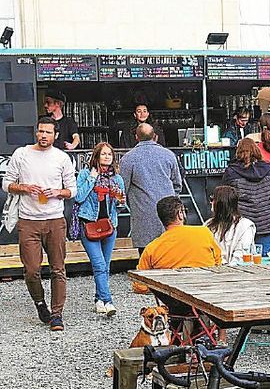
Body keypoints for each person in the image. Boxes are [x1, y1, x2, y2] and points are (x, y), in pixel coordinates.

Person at [3, 116, 76, 330]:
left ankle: (57, 315)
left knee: (58, 269)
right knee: (32, 270)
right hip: (28, 220)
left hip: (54, 219)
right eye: (40, 131)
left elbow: (73, 189)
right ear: (36, 132)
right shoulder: (22, 154)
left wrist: (58, 192)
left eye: (48, 132)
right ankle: (39, 302)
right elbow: (7, 184)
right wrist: (24, 187)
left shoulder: (61, 158)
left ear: (56, 135)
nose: (43, 136)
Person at [75, 141, 126, 316]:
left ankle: (98, 299)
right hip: (89, 224)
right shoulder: (84, 174)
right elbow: (79, 197)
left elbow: (121, 206)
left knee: (105, 265)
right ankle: (108, 301)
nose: (107, 157)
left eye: (109, 154)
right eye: (103, 154)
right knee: (98, 264)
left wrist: (119, 201)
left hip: (110, 225)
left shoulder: (117, 178)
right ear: (96, 156)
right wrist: (92, 177)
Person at [132, 196, 222, 295]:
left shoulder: (152, 248)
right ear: (180, 214)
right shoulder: (204, 232)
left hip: (174, 299)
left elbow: (139, 285)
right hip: (209, 291)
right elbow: (218, 263)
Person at [119, 123, 184, 253]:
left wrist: (119, 208)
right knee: (170, 255)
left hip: (142, 213)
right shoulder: (169, 155)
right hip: (168, 213)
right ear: (155, 136)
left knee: (146, 257)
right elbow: (177, 184)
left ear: (136, 137)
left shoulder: (128, 158)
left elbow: (122, 189)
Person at [221, 138, 270, 253]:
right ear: (257, 151)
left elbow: (226, 196)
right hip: (268, 222)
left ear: (238, 152)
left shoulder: (231, 172)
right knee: (266, 260)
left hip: (243, 223)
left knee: (243, 259)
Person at [206, 185, 256, 264]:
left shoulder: (245, 226)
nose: (210, 202)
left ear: (221, 203)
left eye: (212, 199)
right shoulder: (208, 225)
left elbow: (240, 257)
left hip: (236, 273)